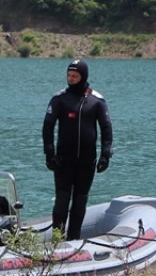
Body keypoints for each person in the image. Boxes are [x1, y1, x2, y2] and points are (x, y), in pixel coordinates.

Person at [42, 59, 113, 240]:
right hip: (63, 161)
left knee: (80, 202)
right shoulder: (59, 99)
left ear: (83, 77)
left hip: (86, 162)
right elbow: (48, 127)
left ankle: (73, 240)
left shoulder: (96, 100)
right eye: (69, 75)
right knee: (62, 202)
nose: (71, 79)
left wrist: (106, 154)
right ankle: (57, 241)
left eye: (75, 76)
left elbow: (106, 128)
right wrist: (49, 154)